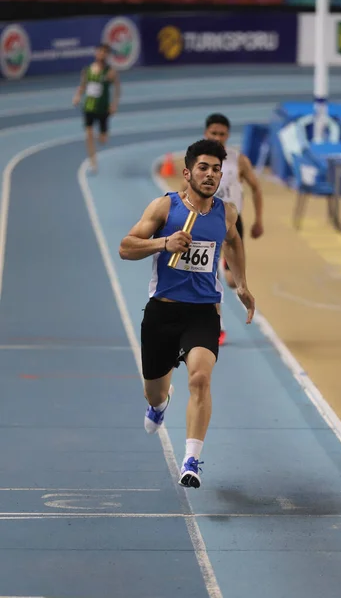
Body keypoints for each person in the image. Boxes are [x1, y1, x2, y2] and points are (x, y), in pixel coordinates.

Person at [119, 139, 255, 489]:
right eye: (203, 168)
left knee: (199, 379)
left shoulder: (226, 213)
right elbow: (126, 247)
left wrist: (240, 284)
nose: (210, 175)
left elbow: (234, 242)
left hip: (203, 313)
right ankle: (158, 405)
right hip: (163, 313)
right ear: (187, 173)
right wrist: (163, 243)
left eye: (215, 169)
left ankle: (191, 459)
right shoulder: (165, 208)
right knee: (155, 390)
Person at [203, 113, 264, 345]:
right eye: (213, 133)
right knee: (210, 276)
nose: (218, 137)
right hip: (205, 223)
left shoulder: (238, 160)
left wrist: (259, 220)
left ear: (228, 135)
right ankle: (217, 325)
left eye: (222, 134)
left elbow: (256, 188)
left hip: (231, 223)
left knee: (231, 280)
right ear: (206, 133)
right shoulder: (199, 160)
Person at [72, 44, 120, 172]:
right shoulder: (87, 70)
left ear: (107, 55)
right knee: (89, 134)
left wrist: (114, 104)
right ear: (96, 54)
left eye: (105, 53)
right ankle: (93, 161)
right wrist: (77, 96)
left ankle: (102, 136)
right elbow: (82, 85)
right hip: (88, 107)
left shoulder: (110, 72)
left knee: (103, 139)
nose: (101, 55)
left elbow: (117, 89)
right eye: (100, 52)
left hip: (103, 109)